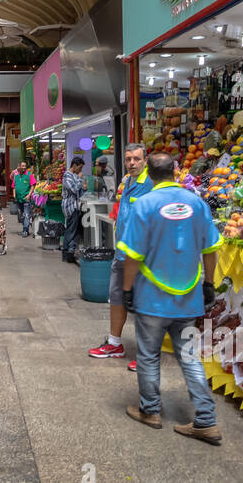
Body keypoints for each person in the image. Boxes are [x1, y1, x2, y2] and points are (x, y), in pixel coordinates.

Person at [118, 153, 223, 445]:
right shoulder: (197, 203)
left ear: (149, 175)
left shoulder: (145, 205)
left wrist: (127, 290)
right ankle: (206, 420)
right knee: (189, 357)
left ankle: (150, 411)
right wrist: (209, 284)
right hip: (188, 297)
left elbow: (132, 255)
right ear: (176, 171)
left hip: (152, 297)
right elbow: (211, 248)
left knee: (149, 355)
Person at [89, 143, 153, 368]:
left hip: (143, 257)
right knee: (116, 297)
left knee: (143, 303)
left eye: (136, 159)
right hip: (122, 252)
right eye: (128, 159)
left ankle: (146, 355)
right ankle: (114, 343)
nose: (132, 163)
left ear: (145, 160)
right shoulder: (128, 181)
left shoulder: (151, 184)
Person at [60, 156, 86, 264]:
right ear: (74, 165)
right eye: (79, 168)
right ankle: (66, 253)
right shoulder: (67, 176)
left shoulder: (73, 176)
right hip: (70, 207)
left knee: (73, 230)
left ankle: (70, 252)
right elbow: (74, 189)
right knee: (70, 230)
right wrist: (80, 180)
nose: (80, 171)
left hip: (74, 206)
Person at [11, 161, 36, 236]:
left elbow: (33, 185)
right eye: (22, 166)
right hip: (19, 199)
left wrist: (29, 195)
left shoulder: (29, 175)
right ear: (19, 167)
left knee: (26, 214)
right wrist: (14, 194)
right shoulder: (16, 176)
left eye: (25, 166)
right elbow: (14, 186)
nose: (24, 167)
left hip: (26, 199)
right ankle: (25, 228)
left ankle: (25, 230)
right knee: (21, 215)